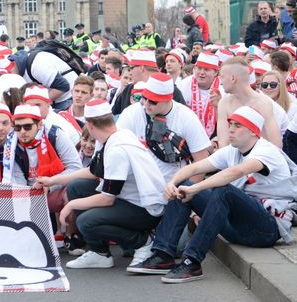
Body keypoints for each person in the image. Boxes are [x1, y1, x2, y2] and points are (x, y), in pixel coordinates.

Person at [128, 106, 293, 283]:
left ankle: (192, 262)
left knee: (224, 190)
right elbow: (195, 167)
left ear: (253, 131)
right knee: (184, 186)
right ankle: (163, 255)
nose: (230, 129)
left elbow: (236, 172)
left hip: (266, 229)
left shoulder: (267, 151)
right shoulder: (233, 150)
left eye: (237, 125)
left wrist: (196, 189)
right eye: (230, 124)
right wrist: (172, 183)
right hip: (237, 225)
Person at [37, 99, 166, 269]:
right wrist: (53, 180)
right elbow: (92, 171)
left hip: (146, 209)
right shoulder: (115, 134)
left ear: (89, 125)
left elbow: (107, 199)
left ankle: (143, 243)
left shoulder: (116, 149)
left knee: (86, 221)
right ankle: (99, 253)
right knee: (76, 186)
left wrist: (70, 205)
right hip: (131, 200)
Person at [116, 73, 213, 183]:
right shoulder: (132, 112)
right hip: (135, 186)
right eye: (144, 98)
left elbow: (201, 160)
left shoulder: (187, 117)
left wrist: (185, 192)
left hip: (171, 187)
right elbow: (115, 146)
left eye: (153, 101)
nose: (146, 104)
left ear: (168, 100)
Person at [216, 57, 282, 148]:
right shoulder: (224, 103)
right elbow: (223, 143)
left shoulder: (263, 103)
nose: (220, 83)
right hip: (234, 157)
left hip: (262, 157)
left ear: (233, 78)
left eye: (222, 77)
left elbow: (276, 144)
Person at [177, 52, 221, 137]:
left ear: (215, 72)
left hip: (214, 137)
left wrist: (217, 107)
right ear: (194, 69)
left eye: (207, 69)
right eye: (199, 68)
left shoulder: (223, 89)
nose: (201, 73)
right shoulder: (182, 86)